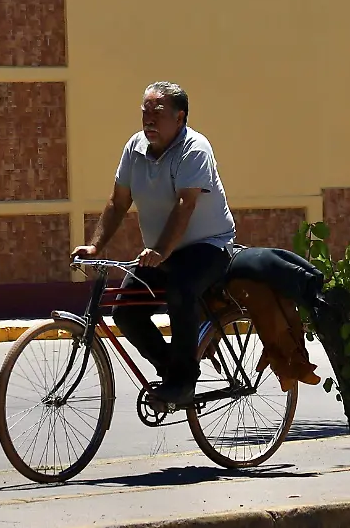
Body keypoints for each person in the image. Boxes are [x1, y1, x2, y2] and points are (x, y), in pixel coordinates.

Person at [72, 82, 235, 405]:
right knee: (125, 312)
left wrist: (161, 251)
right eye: (144, 113)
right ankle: (172, 372)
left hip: (209, 246)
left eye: (157, 114)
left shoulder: (194, 149)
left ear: (180, 117)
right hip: (163, 252)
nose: (148, 120)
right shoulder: (134, 148)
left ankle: (184, 381)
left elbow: (184, 205)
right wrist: (94, 247)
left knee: (180, 290)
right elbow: (118, 202)